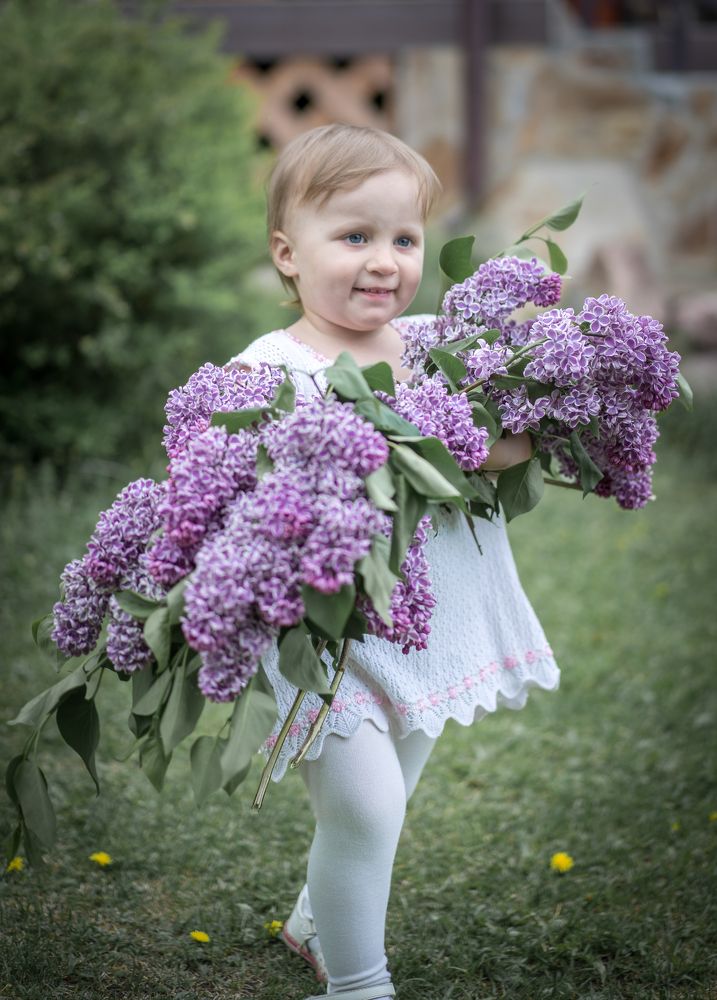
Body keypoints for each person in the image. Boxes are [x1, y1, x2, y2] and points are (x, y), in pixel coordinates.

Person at [227, 124, 560, 1000]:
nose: (384, 261)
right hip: (322, 631)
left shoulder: (429, 345)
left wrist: (490, 428)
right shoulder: (267, 369)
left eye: (404, 239)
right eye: (353, 237)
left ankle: (312, 918)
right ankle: (360, 985)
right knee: (364, 807)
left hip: (420, 621)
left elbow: (507, 445)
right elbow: (228, 483)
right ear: (286, 253)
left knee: (384, 806)